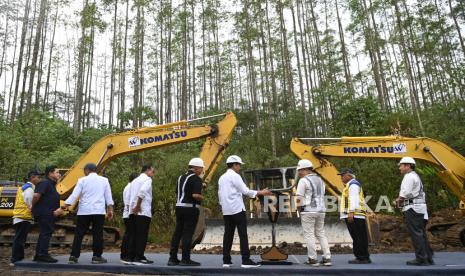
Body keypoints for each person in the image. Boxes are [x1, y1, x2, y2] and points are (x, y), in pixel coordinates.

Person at [218, 155, 272, 268]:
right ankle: (245, 260)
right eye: (239, 165)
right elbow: (245, 191)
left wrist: (223, 206)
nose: (240, 167)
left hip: (227, 210)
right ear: (234, 165)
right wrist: (261, 192)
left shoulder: (221, 178)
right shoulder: (235, 176)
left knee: (228, 234)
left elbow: (220, 195)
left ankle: (226, 260)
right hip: (237, 209)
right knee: (243, 234)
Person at [63, 163, 114, 264]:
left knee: (79, 234)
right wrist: (110, 210)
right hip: (98, 211)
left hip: (84, 212)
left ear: (87, 170)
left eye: (84, 170)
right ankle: (96, 257)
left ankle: (73, 256)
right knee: (98, 234)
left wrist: (65, 205)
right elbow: (108, 197)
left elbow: (74, 195)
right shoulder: (104, 180)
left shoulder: (82, 180)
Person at [394, 157, 433, 266]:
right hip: (419, 208)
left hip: (413, 208)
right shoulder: (415, 176)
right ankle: (428, 258)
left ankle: (421, 259)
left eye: (401, 165)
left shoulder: (409, 177)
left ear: (408, 166)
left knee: (416, 234)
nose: (400, 168)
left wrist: (398, 201)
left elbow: (404, 193)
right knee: (421, 234)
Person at [168, 158, 205, 266]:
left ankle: (172, 258)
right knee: (188, 234)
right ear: (196, 168)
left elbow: (177, 192)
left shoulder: (181, 177)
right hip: (190, 208)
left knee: (177, 233)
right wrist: (202, 198)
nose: (202, 170)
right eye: (201, 168)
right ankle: (185, 259)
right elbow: (195, 195)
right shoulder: (197, 179)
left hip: (179, 207)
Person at [295, 160, 331, 267]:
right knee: (321, 234)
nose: (299, 172)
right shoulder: (320, 180)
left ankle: (313, 259)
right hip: (321, 211)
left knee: (309, 234)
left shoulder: (303, 181)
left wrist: (298, 209)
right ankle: (327, 258)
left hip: (308, 211)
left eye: (300, 170)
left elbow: (299, 197)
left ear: (306, 169)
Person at [338, 168, 371, 264]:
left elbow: (353, 199)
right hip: (357, 214)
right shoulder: (351, 185)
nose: (341, 177)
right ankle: (362, 256)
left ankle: (362, 257)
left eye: (342, 175)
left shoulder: (352, 185)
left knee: (358, 237)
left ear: (349, 175)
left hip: (355, 215)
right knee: (358, 237)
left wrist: (351, 212)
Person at [10, 170, 43, 265]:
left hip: (21, 216)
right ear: (32, 178)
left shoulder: (25, 187)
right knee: (19, 239)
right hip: (23, 216)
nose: (39, 179)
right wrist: (34, 210)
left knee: (20, 239)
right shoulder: (29, 188)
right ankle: (15, 259)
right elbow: (29, 200)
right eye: (38, 177)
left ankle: (19, 258)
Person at [31, 165, 63, 263]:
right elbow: (36, 196)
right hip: (44, 213)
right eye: (57, 172)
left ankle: (39, 255)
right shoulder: (45, 182)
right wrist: (32, 207)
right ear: (50, 173)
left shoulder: (51, 184)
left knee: (44, 233)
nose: (59, 174)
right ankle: (43, 255)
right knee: (46, 233)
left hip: (48, 212)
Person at [127, 165, 155, 265]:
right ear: (147, 170)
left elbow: (130, 195)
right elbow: (142, 192)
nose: (153, 174)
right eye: (153, 171)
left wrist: (132, 208)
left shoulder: (134, 181)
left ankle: (132, 257)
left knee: (133, 235)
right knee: (142, 235)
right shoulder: (147, 179)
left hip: (132, 211)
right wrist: (138, 205)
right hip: (142, 211)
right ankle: (138, 257)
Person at [120, 172, 139, 264]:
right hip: (128, 214)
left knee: (129, 234)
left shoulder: (129, 187)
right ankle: (126, 255)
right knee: (130, 235)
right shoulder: (130, 188)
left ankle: (125, 254)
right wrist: (131, 212)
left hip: (128, 214)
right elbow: (128, 202)